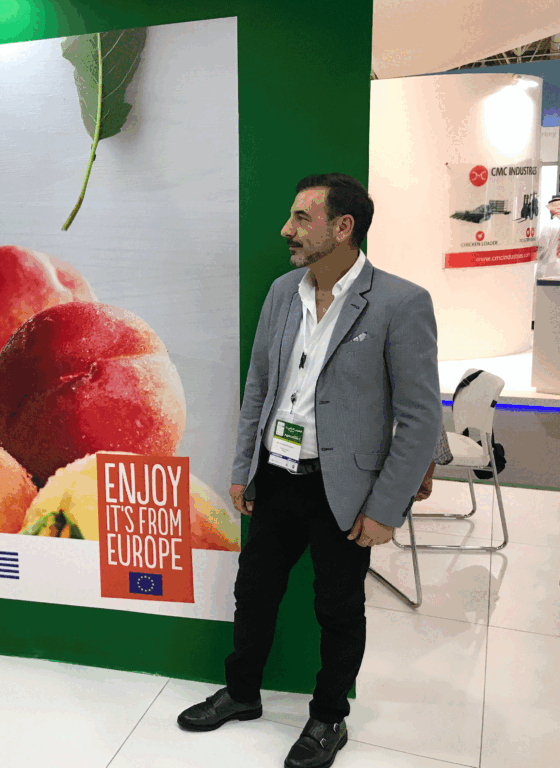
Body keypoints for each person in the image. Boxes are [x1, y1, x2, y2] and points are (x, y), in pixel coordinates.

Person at [177, 174, 441, 768]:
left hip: (344, 489)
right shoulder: (282, 293)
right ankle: (242, 692)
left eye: (301, 218)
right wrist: (244, 466)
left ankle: (328, 717)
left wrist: (386, 508)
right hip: (276, 475)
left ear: (343, 227)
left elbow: (421, 417)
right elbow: (259, 386)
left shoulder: (400, 303)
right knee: (254, 592)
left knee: (338, 608)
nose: (286, 230)